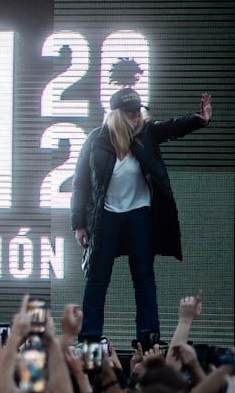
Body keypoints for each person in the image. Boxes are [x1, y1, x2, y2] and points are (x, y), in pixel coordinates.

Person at [71, 88, 212, 341]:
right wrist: (79, 224)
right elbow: (81, 183)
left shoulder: (146, 134)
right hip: (106, 217)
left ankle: (148, 340)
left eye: (138, 110)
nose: (136, 115)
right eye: (130, 111)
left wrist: (199, 120)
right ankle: (90, 342)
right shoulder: (96, 140)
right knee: (97, 278)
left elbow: (172, 127)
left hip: (139, 215)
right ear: (116, 114)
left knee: (144, 277)